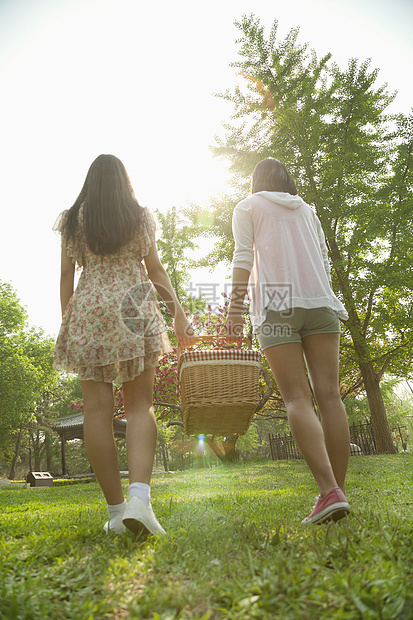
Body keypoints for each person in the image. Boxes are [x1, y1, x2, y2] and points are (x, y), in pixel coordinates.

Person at [53, 154, 195, 536]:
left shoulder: (72, 219)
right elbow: (156, 269)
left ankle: (116, 512)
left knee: (97, 411)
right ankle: (139, 500)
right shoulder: (139, 215)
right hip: (134, 307)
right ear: (124, 182)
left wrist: (71, 320)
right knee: (139, 406)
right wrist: (178, 314)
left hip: (90, 309)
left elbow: (66, 276)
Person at [223, 158, 351, 525]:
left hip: (279, 303)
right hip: (321, 303)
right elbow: (324, 261)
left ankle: (329, 492)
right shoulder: (308, 211)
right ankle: (335, 491)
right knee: (330, 397)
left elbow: (243, 256)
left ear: (257, 182)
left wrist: (235, 309)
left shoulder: (247, 207)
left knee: (297, 397)